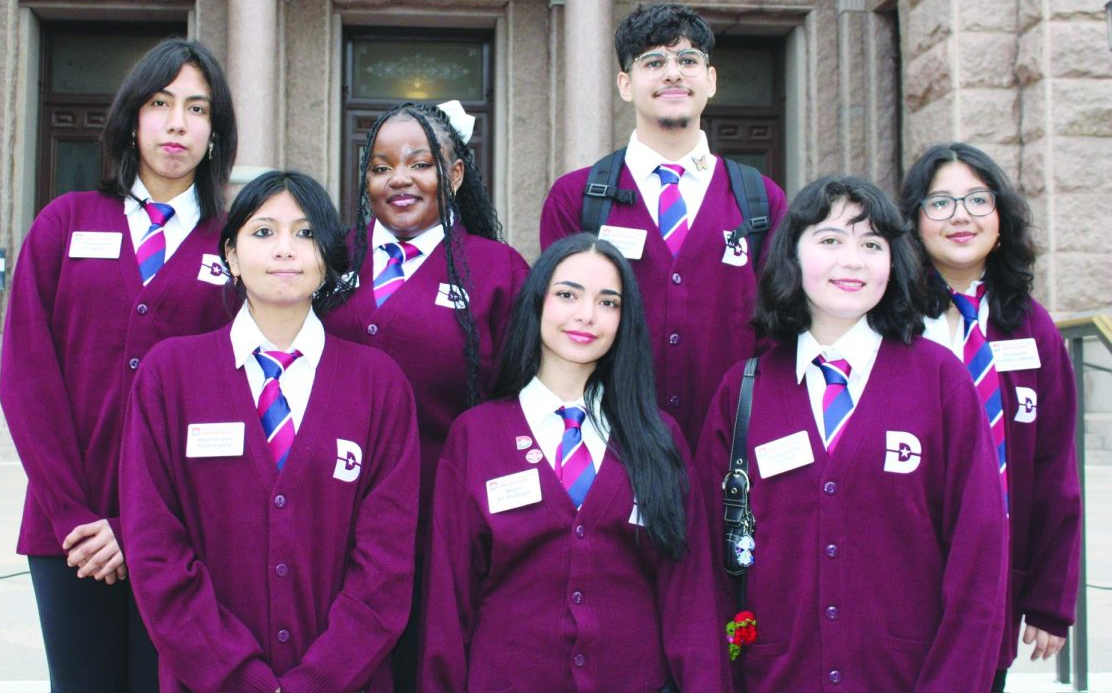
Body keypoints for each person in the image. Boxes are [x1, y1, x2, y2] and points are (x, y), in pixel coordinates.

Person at [695, 176, 1007, 691]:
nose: (853, 261)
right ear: (792, 255)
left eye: (871, 244)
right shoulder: (744, 390)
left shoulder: (940, 379)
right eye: (830, 240)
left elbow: (979, 556)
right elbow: (706, 565)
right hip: (775, 675)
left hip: (906, 677)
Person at [0, 37, 237, 692]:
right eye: (161, 103)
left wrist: (142, 529)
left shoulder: (237, 244)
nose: (177, 123)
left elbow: (236, 395)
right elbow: (26, 381)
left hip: (190, 538)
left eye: (197, 108)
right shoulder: (64, 223)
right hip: (69, 536)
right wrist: (78, 516)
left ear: (216, 132)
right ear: (133, 117)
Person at [120, 171, 419, 693]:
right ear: (230, 257)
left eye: (305, 234)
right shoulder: (170, 375)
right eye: (263, 232)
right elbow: (155, 550)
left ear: (327, 258)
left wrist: (315, 681)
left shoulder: (379, 385)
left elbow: (386, 566)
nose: (285, 249)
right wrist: (242, 680)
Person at [421, 232, 725, 692]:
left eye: (608, 303)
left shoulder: (659, 437)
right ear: (538, 303)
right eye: (568, 295)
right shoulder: (475, 436)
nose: (586, 315)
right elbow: (448, 601)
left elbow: (690, 597)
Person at [321, 100, 527, 688]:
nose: (399, 180)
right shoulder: (329, 259)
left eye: (420, 163)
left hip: (442, 528)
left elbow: (512, 404)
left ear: (455, 174)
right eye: (381, 166)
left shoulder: (498, 272)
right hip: (332, 521)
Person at [539, 3, 787, 448]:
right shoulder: (577, 198)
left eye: (688, 61)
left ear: (710, 80)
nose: (673, 73)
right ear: (625, 85)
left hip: (730, 446)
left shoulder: (761, 199)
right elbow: (556, 326)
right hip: (607, 444)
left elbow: (778, 330)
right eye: (653, 62)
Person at [899, 144, 1081, 691]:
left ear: (1001, 220)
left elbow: (1055, 471)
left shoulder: (1032, 329)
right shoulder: (889, 320)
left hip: (993, 576)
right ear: (913, 223)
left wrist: (1051, 597)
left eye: (978, 200)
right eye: (941, 203)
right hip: (900, 565)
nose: (961, 216)